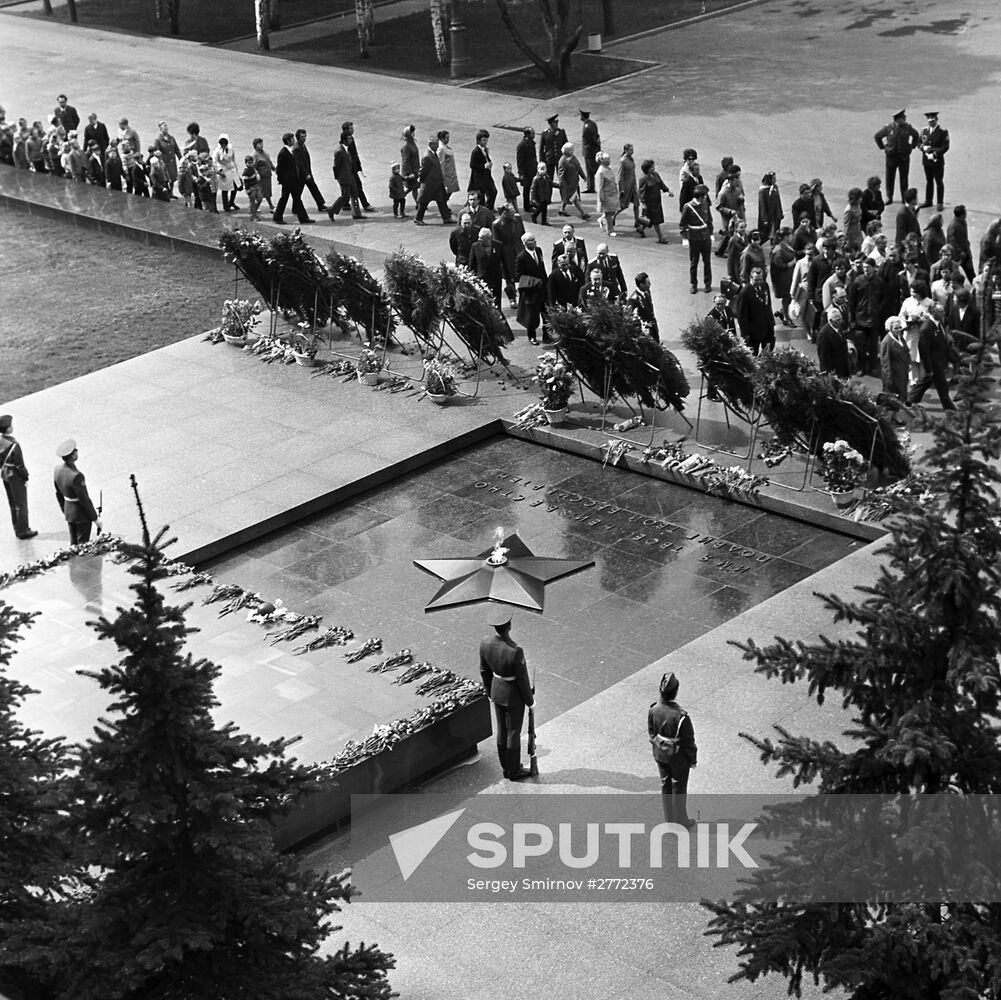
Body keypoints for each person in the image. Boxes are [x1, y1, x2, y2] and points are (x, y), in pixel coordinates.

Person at [480, 606, 535, 780]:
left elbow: (484, 670)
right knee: (513, 733)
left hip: (497, 691)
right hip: (513, 696)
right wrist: (530, 701)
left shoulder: (485, 643)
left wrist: (490, 692)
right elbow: (522, 679)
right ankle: (513, 770)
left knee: (502, 731)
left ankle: (505, 767)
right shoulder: (515, 651)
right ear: (509, 626)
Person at [648, 672, 697, 826]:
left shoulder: (654, 709)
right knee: (679, 788)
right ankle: (681, 820)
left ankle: (669, 819)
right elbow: (689, 742)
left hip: (660, 754)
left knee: (666, 785)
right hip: (678, 757)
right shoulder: (681, 716)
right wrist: (692, 759)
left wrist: (659, 746)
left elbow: (652, 733)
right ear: (675, 692)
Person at [908, 303, 957, 410]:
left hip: (940, 361)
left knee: (924, 383)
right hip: (934, 363)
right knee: (942, 386)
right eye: (941, 311)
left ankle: (909, 400)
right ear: (933, 312)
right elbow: (924, 350)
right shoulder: (926, 328)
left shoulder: (939, 322)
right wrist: (929, 368)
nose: (944, 313)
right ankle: (949, 408)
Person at [54, 439, 100, 544]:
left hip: (69, 512)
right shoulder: (77, 476)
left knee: (73, 543)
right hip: (81, 515)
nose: (77, 452)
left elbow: (58, 494)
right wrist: (95, 518)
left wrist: (65, 510)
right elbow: (84, 500)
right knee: (82, 545)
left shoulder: (57, 470)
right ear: (73, 455)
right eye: (76, 450)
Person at [873, 109, 919, 204]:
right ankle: (889, 197)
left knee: (904, 178)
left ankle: (904, 197)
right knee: (890, 178)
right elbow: (877, 136)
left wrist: (912, 146)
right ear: (898, 120)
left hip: (904, 157)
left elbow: (916, 135)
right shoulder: (889, 128)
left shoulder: (908, 127)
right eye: (903, 118)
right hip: (891, 157)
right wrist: (883, 147)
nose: (905, 119)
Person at [0, 415, 35, 540]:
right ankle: (24, 530)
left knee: (12, 503)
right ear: (8, 429)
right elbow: (20, 465)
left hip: (4, 474)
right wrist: (25, 477)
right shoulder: (14, 445)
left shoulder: (0, 441)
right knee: (21, 503)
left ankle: (17, 528)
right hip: (15, 476)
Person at [848, 257, 883, 376]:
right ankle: (860, 367)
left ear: (874, 268)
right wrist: (852, 319)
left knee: (873, 346)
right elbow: (852, 302)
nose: (866, 270)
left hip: (874, 319)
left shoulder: (879, 282)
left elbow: (883, 299)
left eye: (868, 268)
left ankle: (873, 367)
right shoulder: (857, 281)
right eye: (864, 268)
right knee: (860, 345)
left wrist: (878, 310)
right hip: (860, 319)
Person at [515, 232, 549, 345]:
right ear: (525, 243)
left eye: (534, 239)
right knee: (532, 315)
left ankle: (547, 335)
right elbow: (520, 276)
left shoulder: (538, 251)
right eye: (531, 240)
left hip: (543, 289)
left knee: (546, 314)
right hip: (531, 291)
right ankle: (532, 336)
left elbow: (542, 268)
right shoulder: (521, 257)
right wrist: (534, 282)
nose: (535, 242)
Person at [680, 183, 713, 293]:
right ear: (700, 196)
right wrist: (684, 237)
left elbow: (709, 220)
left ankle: (707, 283)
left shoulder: (705, 204)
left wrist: (711, 233)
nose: (706, 197)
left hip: (705, 237)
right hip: (694, 238)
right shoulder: (688, 207)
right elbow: (682, 223)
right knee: (694, 263)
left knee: (707, 262)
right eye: (705, 195)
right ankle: (693, 283)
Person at [735, 266, 776, 355]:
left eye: (760, 279)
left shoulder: (765, 286)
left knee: (768, 353)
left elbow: (768, 305)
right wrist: (745, 334)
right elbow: (742, 316)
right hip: (753, 332)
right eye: (756, 280)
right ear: (750, 278)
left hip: (767, 328)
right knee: (753, 355)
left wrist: (771, 322)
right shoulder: (745, 293)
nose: (759, 282)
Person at [414, 135, 453, 226]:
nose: (438, 146)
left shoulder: (432, 153)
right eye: (436, 144)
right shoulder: (427, 156)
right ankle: (418, 218)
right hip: (429, 185)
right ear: (431, 144)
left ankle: (446, 218)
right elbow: (423, 171)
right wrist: (422, 181)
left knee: (441, 200)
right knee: (424, 202)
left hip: (436, 183)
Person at [273, 131, 311, 225]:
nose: (294, 140)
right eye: (292, 139)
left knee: (297, 198)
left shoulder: (291, 150)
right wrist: (281, 180)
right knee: (284, 199)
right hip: (287, 181)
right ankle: (278, 217)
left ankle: (303, 218)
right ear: (288, 141)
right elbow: (280, 169)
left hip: (293, 180)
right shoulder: (283, 153)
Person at [328, 132, 363, 220]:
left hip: (350, 176)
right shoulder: (339, 151)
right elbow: (336, 166)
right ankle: (332, 210)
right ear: (344, 140)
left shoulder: (346, 149)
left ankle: (357, 214)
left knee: (355, 194)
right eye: (349, 139)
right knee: (345, 196)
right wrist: (338, 177)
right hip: (344, 177)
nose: (351, 140)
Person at [918, 111, 949, 211]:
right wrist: (923, 147)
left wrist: (935, 151)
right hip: (927, 160)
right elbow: (919, 142)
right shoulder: (924, 131)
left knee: (939, 181)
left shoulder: (943, 132)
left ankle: (940, 202)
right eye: (929, 121)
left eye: (933, 120)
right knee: (929, 180)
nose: (931, 122)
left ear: (936, 120)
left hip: (937, 161)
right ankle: (928, 200)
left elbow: (945, 146)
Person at [637, 158, 672, 243]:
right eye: (651, 167)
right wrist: (643, 203)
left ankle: (641, 228)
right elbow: (641, 192)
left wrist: (667, 191)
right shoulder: (643, 178)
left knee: (650, 219)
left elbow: (661, 184)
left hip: (657, 201)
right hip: (650, 203)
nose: (653, 168)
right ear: (647, 169)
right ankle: (660, 237)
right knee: (656, 220)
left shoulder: (655, 174)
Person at [341, 121, 374, 211]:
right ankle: (365, 204)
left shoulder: (350, 138)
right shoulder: (346, 141)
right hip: (350, 168)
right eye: (351, 128)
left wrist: (358, 166)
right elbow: (351, 155)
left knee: (348, 188)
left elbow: (354, 154)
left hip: (352, 167)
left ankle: (345, 203)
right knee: (357, 186)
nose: (353, 130)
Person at [293, 128, 326, 213]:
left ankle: (320, 204)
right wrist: (306, 173)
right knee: (298, 192)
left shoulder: (302, 145)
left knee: (313, 188)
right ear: (298, 137)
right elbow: (299, 163)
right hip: (302, 174)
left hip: (306, 172)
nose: (304, 138)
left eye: (305, 136)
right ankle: (296, 208)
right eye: (302, 137)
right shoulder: (297, 148)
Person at [470, 227, 504, 309]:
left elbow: (504, 261)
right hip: (482, 279)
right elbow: (472, 264)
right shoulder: (475, 246)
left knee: (496, 301)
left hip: (495, 278)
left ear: (488, 238)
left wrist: (509, 278)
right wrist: (471, 278)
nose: (479, 239)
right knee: (484, 301)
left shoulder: (498, 245)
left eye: (481, 238)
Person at [769, 226, 797, 326]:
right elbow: (779, 265)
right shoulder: (778, 250)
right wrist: (792, 263)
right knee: (787, 297)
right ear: (786, 236)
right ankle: (786, 317)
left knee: (789, 297)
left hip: (788, 276)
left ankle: (782, 312)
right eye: (790, 235)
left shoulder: (785, 246)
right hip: (783, 279)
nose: (792, 237)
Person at [880, 316, 910, 400]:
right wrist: (889, 380)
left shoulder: (900, 337)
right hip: (894, 377)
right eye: (896, 328)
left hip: (902, 374)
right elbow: (885, 363)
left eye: (900, 327)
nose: (899, 330)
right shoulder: (886, 342)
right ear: (890, 329)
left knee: (903, 397)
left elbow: (906, 351)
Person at [556, 142, 587, 219]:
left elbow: (578, 167)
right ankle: (583, 213)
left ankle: (562, 210)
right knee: (575, 198)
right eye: (570, 150)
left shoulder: (573, 157)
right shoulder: (562, 161)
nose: (572, 151)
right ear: (566, 151)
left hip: (574, 182)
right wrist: (563, 185)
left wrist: (583, 176)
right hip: (568, 184)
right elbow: (561, 175)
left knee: (568, 198)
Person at [816, 309, 852, 377]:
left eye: (841, 319)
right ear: (831, 321)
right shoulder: (823, 334)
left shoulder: (839, 328)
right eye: (838, 320)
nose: (841, 322)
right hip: (833, 372)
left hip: (843, 369)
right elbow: (824, 358)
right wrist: (830, 375)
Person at [468, 128, 496, 210]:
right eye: (484, 140)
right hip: (479, 178)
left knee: (493, 191)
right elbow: (472, 165)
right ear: (479, 140)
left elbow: (486, 159)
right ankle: (485, 210)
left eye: (486, 140)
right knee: (482, 196)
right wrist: (484, 166)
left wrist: (490, 163)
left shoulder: (485, 149)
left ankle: (489, 207)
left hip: (486, 176)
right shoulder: (475, 151)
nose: (485, 142)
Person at [627, 272, 658, 341]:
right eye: (648, 283)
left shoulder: (647, 292)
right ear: (641, 285)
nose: (650, 284)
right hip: (645, 332)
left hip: (653, 327)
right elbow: (631, 318)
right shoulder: (633, 300)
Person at [153, 121, 181, 197]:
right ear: (160, 129)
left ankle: (170, 193)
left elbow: (176, 149)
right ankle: (165, 193)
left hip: (172, 162)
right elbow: (156, 152)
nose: (165, 129)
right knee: (165, 178)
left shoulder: (171, 138)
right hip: (164, 163)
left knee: (172, 177)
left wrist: (180, 158)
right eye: (164, 128)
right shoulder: (158, 140)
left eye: (166, 128)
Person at [594, 151, 619, 236]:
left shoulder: (609, 169)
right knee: (608, 213)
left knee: (612, 211)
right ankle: (610, 230)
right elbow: (599, 186)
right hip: (606, 194)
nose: (609, 161)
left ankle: (602, 219)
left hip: (613, 193)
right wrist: (601, 197)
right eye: (607, 160)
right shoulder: (600, 172)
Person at [538, 113, 567, 185]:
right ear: (550, 124)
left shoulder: (561, 132)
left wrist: (566, 158)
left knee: (562, 178)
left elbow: (566, 145)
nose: (557, 124)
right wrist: (542, 161)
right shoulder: (545, 133)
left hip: (560, 159)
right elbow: (541, 148)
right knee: (548, 180)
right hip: (549, 159)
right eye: (555, 122)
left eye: (557, 122)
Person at [947, 205, 974, 282]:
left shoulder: (963, 222)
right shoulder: (953, 226)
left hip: (965, 252)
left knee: (971, 272)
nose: (966, 214)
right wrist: (960, 252)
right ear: (962, 215)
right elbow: (951, 241)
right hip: (957, 255)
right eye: (965, 212)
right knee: (954, 273)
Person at [213, 134, 239, 212]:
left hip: (232, 169)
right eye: (222, 145)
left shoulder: (230, 148)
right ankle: (226, 206)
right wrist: (219, 171)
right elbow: (214, 162)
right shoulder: (217, 151)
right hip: (224, 170)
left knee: (235, 186)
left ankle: (231, 202)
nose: (224, 146)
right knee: (225, 189)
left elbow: (233, 158)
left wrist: (236, 170)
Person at [757, 171, 783, 244]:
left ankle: (773, 247)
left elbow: (778, 200)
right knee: (765, 234)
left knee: (775, 233)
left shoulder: (775, 187)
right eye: (774, 179)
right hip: (768, 216)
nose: (775, 180)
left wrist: (780, 212)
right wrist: (764, 219)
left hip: (775, 215)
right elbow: (762, 206)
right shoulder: (763, 191)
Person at [515, 127, 537, 213]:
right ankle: (527, 206)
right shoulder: (522, 145)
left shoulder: (532, 143)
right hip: (526, 171)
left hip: (533, 169)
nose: (534, 135)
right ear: (527, 134)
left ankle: (532, 202)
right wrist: (521, 174)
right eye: (532, 133)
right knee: (527, 189)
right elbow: (520, 161)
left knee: (533, 187)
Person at [438, 129, 461, 206]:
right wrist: (442, 175)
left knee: (450, 191)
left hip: (451, 173)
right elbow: (441, 163)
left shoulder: (446, 147)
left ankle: (444, 205)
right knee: (447, 192)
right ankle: (443, 206)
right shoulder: (441, 149)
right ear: (442, 139)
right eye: (447, 138)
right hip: (447, 175)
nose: (448, 140)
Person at [251, 137, 275, 211]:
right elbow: (253, 167)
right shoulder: (255, 155)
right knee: (261, 194)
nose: (261, 145)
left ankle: (270, 206)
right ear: (255, 145)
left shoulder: (264, 153)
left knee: (267, 192)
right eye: (259, 144)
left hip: (267, 176)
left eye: (262, 143)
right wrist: (256, 175)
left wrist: (274, 169)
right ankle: (255, 208)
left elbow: (269, 162)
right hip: (261, 177)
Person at [529, 162, 552, 226]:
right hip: (539, 197)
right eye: (541, 169)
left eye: (543, 169)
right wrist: (533, 198)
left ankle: (544, 221)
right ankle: (534, 215)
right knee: (540, 208)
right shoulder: (536, 179)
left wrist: (559, 185)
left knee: (545, 209)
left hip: (545, 196)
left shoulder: (547, 177)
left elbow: (551, 183)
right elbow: (532, 189)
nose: (542, 171)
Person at [241, 155, 262, 221]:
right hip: (251, 188)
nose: (251, 164)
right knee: (252, 202)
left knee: (260, 199)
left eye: (252, 162)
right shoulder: (246, 172)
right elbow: (245, 183)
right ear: (246, 163)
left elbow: (256, 174)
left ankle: (253, 210)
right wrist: (248, 191)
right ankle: (253, 215)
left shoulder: (253, 168)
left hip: (256, 186)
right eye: (249, 163)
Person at [843, 187, 864, 253]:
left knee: (861, 246)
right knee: (854, 249)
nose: (861, 199)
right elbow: (846, 224)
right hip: (852, 233)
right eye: (859, 198)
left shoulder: (858, 205)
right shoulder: (849, 210)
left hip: (858, 229)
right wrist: (846, 238)